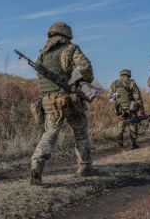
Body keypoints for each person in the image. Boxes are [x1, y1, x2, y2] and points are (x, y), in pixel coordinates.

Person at [30, 22, 99, 185]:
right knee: (80, 131)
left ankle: (37, 163)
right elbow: (86, 68)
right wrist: (84, 81)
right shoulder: (70, 48)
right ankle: (85, 167)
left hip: (47, 101)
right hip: (69, 100)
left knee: (50, 133)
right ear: (67, 35)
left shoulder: (41, 55)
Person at [107, 69, 145, 149]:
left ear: (121, 74)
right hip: (131, 107)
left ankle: (120, 133)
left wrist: (115, 96)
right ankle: (133, 144)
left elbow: (109, 96)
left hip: (120, 108)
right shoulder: (131, 82)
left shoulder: (114, 83)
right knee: (133, 123)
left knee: (122, 120)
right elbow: (137, 96)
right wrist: (142, 108)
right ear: (129, 75)